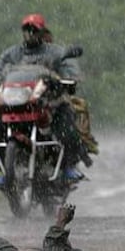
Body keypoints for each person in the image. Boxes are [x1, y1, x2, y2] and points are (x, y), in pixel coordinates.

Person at [0, 13, 89, 188]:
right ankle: (5, 170)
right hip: (19, 103)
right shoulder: (13, 53)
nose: (30, 34)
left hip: (50, 102)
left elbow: (70, 68)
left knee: (65, 122)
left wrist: (70, 79)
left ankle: (69, 166)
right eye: (26, 30)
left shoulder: (55, 51)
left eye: (34, 30)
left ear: (42, 32)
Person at [42, 28, 99, 158]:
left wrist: (68, 80)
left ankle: (73, 155)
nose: (45, 43)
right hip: (31, 99)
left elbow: (72, 72)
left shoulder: (60, 55)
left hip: (56, 98)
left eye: (47, 40)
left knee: (71, 115)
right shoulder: (26, 56)